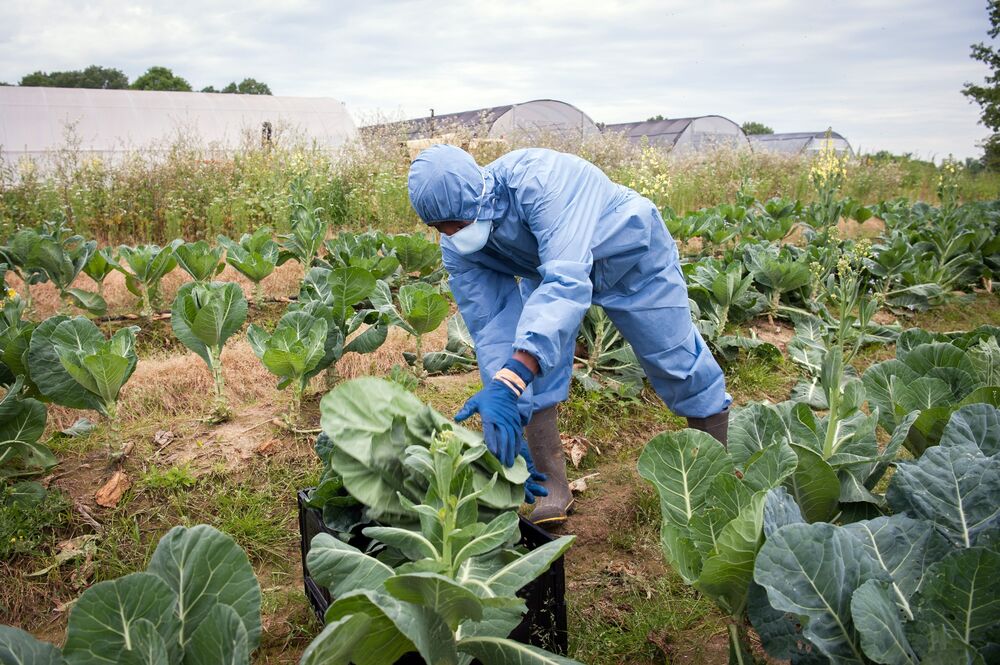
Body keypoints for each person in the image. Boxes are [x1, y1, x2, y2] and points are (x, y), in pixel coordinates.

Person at [407, 144, 731, 526]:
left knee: (676, 358)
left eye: (456, 223)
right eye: (437, 227)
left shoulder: (539, 180)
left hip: (631, 255)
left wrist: (511, 379)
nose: (449, 234)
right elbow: (493, 322)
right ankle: (552, 488)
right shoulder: (459, 247)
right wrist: (508, 398)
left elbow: (566, 281)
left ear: (477, 196)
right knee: (526, 364)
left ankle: (718, 477)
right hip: (547, 274)